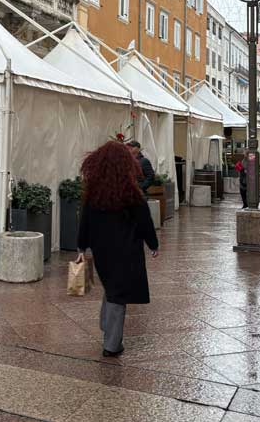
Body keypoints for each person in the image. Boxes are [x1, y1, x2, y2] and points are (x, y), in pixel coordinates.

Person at [77, 141, 159, 358]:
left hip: (101, 250)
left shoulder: (94, 192)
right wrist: (153, 244)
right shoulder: (131, 192)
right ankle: (112, 344)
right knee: (118, 293)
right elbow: (144, 221)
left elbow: (85, 220)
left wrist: (81, 246)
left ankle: (107, 326)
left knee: (112, 286)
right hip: (126, 250)